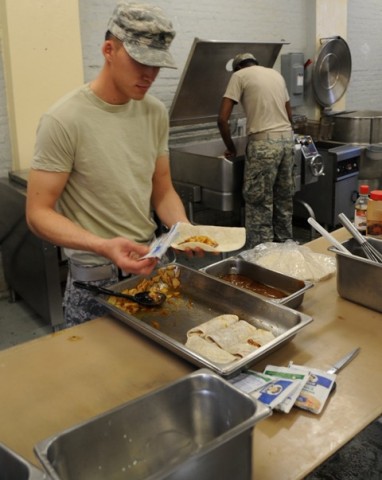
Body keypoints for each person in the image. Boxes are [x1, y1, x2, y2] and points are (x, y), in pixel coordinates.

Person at [26, 2, 192, 327]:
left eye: (157, 65)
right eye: (140, 61)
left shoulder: (154, 112)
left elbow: (162, 191)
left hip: (149, 269)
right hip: (94, 282)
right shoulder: (64, 119)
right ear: (109, 50)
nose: (150, 75)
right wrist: (103, 246)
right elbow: (38, 213)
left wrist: (183, 230)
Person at [217, 52, 294, 249]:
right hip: (286, 140)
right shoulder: (276, 75)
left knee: (258, 200)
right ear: (255, 63)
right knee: (283, 198)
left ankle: (262, 255)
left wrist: (231, 148)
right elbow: (289, 113)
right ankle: (287, 247)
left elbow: (222, 119)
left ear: (237, 67)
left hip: (264, 145)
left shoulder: (239, 76)